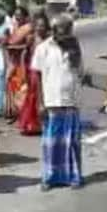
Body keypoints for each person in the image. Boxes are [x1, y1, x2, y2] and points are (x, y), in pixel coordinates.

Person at [31, 14, 85, 191]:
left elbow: (80, 73)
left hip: (71, 101)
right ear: (54, 31)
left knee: (71, 142)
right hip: (51, 101)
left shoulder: (75, 48)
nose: (66, 34)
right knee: (51, 144)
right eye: (63, 30)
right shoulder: (43, 49)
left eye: (69, 30)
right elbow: (37, 77)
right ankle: (49, 178)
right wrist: (40, 103)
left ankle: (74, 177)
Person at [18, 13, 50, 135]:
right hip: (34, 71)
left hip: (47, 70)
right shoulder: (31, 38)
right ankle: (32, 124)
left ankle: (44, 122)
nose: (40, 28)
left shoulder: (50, 39)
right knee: (34, 96)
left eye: (42, 26)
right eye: (38, 26)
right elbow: (24, 54)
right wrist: (24, 71)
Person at [5, 5, 33, 120]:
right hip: (13, 62)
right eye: (15, 15)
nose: (17, 17)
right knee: (12, 85)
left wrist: (14, 47)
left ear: (25, 16)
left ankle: (25, 114)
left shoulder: (28, 28)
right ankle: (15, 112)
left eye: (19, 15)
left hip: (23, 61)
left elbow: (28, 45)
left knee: (23, 87)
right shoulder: (15, 27)